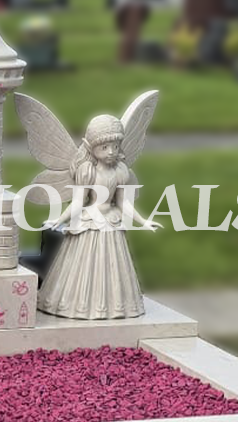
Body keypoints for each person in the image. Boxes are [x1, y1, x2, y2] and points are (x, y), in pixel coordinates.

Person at [37, 114, 159, 320]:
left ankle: (115, 306)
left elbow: (122, 203)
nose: (111, 152)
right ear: (90, 147)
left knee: (112, 267)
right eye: (104, 147)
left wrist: (143, 221)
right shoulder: (87, 171)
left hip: (111, 223)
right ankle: (77, 305)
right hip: (89, 221)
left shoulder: (120, 170)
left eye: (115, 146)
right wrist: (59, 220)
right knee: (82, 268)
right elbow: (78, 202)